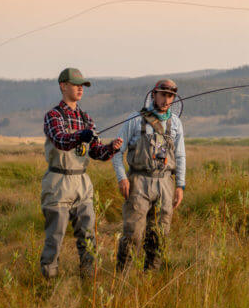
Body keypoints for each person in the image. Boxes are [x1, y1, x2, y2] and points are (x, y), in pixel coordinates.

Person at [39, 67, 123, 281]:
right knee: (54, 239)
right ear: (63, 86)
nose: (80, 88)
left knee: (88, 237)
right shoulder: (53, 116)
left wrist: (112, 148)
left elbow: (97, 152)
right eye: (76, 84)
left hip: (82, 183)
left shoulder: (86, 118)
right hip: (58, 182)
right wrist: (80, 136)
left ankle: (88, 282)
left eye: (82, 85)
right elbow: (60, 139)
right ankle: (49, 284)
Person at [112, 78, 186, 271]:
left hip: (165, 183)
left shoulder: (176, 123)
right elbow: (117, 152)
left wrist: (180, 185)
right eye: (163, 95)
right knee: (133, 234)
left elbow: (180, 155)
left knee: (159, 235)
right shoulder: (135, 119)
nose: (166, 100)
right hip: (138, 182)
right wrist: (122, 178)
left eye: (170, 96)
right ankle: (122, 280)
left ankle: (150, 278)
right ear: (153, 95)